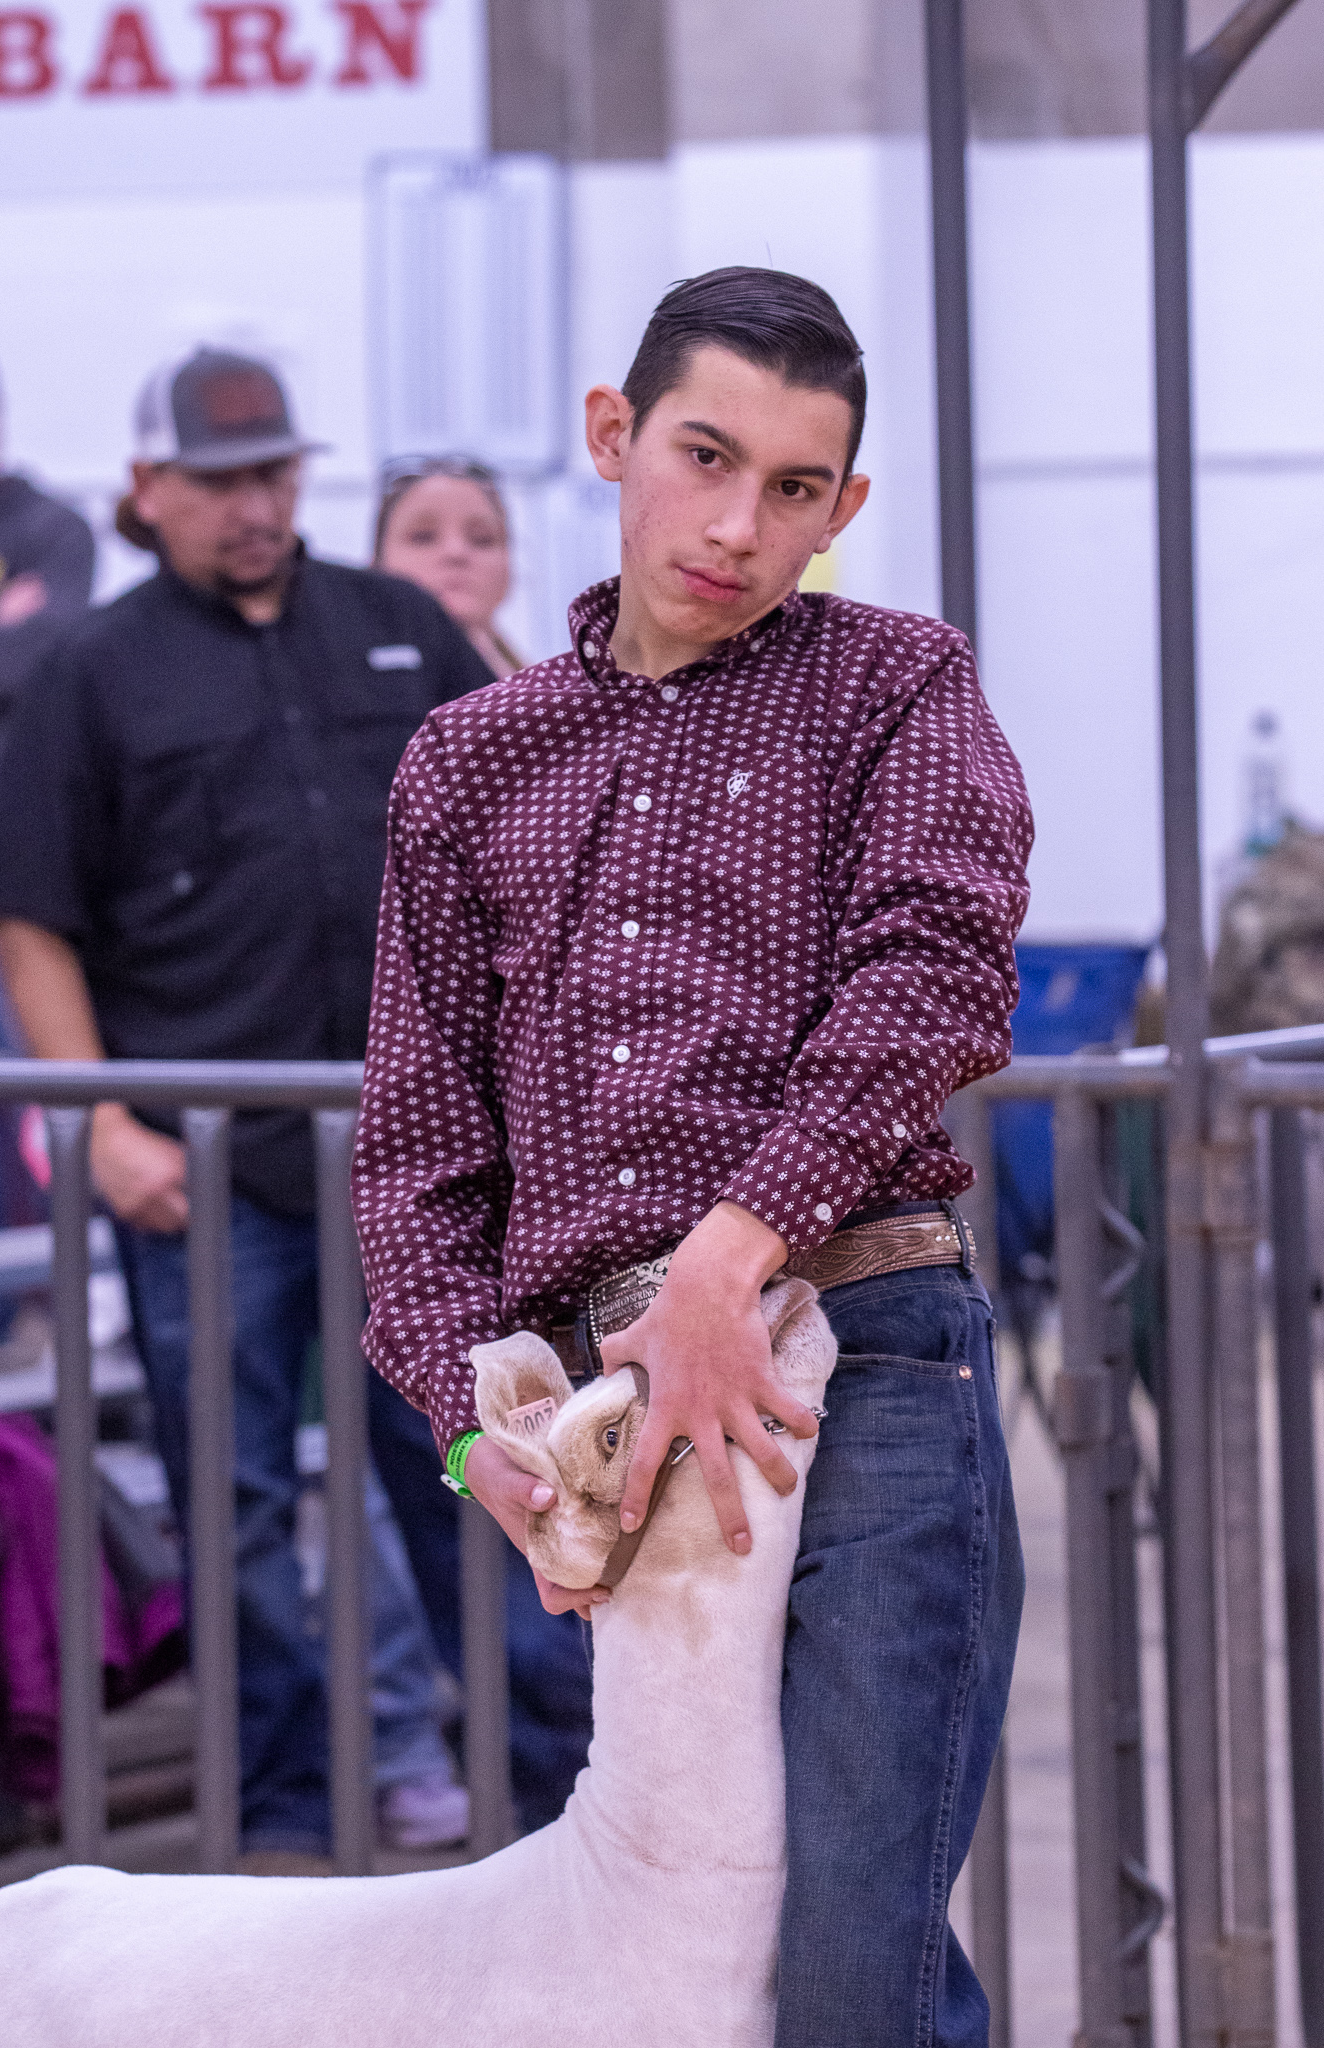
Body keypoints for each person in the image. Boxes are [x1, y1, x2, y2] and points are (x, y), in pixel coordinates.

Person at [352, 268, 1032, 2043]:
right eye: (706, 457)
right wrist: (464, 1443)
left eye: (797, 489)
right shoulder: (468, 758)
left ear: (846, 507)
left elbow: (937, 968)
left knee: (849, 1962)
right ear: (613, 435)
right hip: (617, 1435)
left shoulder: (895, 678)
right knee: (682, 1971)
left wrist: (736, 1256)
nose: (741, 526)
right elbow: (420, 1154)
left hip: (867, 1366)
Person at [0, 345, 493, 1857]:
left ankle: (543, 1789)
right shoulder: (92, 669)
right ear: (146, 490)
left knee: (469, 1463)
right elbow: (25, 917)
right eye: (216, 481)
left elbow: (529, 828)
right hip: (202, 1181)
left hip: (417, 1164)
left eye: (272, 475)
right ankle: (277, 1821)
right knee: (235, 1504)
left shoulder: (397, 628)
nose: (254, 508)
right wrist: (103, 1126)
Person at [0, 337, 96, 1339]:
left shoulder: (47, 526)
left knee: (34, 1100)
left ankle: (38, 1307)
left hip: (2, 883)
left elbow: (32, 654)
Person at [373, 455, 522, 678]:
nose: (456, 553)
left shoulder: (560, 693)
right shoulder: (340, 682)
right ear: (376, 562)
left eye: (482, 539)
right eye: (423, 537)